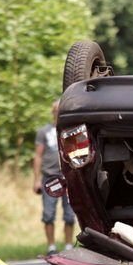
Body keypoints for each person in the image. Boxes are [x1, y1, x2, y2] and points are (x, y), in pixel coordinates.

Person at [33, 100, 75, 255]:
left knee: (70, 215)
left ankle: (69, 246)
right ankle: (51, 246)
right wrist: (36, 180)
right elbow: (38, 156)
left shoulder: (70, 131)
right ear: (53, 113)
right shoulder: (44, 132)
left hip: (68, 178)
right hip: (49, 178)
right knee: (48, 214)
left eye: (61, 110)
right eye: (56, 111)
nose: (58, 113)